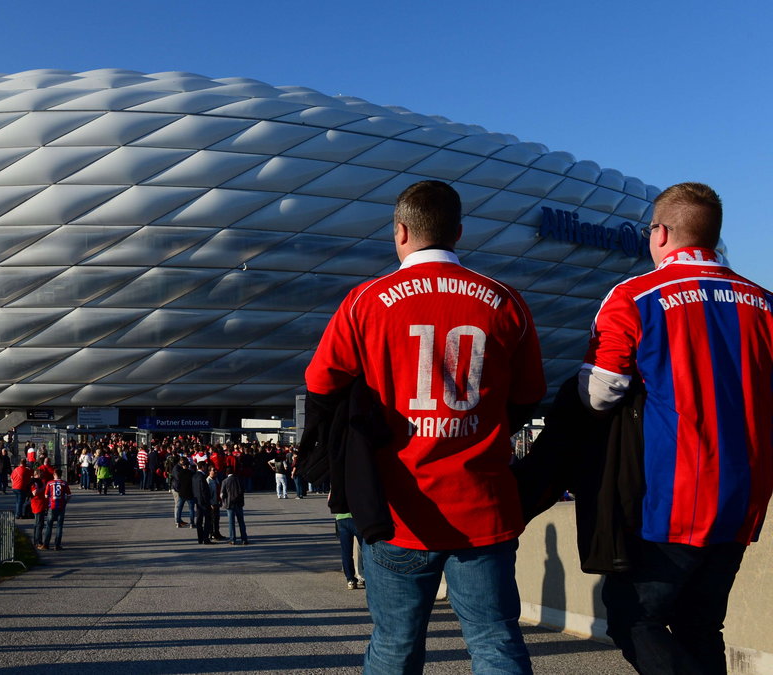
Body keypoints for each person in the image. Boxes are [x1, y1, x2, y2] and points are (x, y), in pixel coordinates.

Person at [305, 181, 546, 674]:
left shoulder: (364, 301)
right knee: (495, 641)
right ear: (457, 232)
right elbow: (527, 397)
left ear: (400, 231)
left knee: (395, 645)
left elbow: (320, 384)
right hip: (484, 505)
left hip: (397, 510)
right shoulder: (505, 302)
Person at [579, 183, 773, 675]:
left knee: (633, 618)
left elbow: (602, 392)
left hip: (673, 499)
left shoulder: (635, 297)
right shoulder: (765, 303)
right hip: (744, 497)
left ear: (661, 233)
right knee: (702, 625)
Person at [39, 468, 71, 550]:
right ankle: (57, 545)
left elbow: (46, 495)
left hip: (52, 505)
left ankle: (46, 544)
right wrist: (65, 502)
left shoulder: (50, 483)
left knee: (49, 525)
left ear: (54, 474)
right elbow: (69, 495)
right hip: (61, 506)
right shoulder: (64, 483)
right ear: (61, 475)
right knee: (59, 526)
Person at [335, 513, 365, 590]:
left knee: (346, 552)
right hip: (358, 517)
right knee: (365, 550)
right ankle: (366, 576)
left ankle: (350, 579)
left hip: (341, 518)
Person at [220, 467, 248, 545]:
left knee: (231, 522)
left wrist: (223, 501)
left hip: (229, 504)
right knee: (241, 522)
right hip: (239, 503)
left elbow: (222, 494)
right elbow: (243, 490)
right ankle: (244, 538)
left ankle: (232, 539)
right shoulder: (239, 480)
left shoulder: (225, 481)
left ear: (226, 473)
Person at [191, 461, 214, 545]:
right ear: (203, 467)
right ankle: (206, 538)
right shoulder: (202, 477)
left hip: (197, 501)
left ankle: (200, 538)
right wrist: (208, 501)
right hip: (204, 501)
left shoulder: (194, 476)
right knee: (208, 520)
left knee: (199, 520)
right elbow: (204, 490)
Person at [171, 456, 195, 528]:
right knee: (191, 509)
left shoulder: (180, 473)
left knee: (179, 508)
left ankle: (178, 522)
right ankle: (191, 523)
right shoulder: (191, 473)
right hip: (189, 493)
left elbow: (178, 480)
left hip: (181, 492)